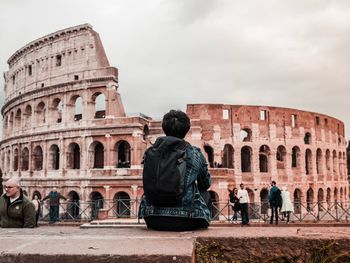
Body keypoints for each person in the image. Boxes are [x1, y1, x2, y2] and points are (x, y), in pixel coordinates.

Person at [139, 109, 211, 231]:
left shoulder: (150, 152)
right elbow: (206, 183)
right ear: (186, 129)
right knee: (205, 192)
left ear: (164, 128)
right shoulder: (194, 153)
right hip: (188, 220)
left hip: (152, 219)